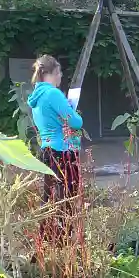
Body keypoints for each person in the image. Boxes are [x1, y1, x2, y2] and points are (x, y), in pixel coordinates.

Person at [28, 55, 84, 206]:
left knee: (49, 198)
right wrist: (73, 112)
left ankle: (46, 230)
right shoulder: (53, 94)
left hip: (47, 150)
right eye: (59, 73)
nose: (60, 76)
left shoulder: (36, 97)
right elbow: (76, 122)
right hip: (63, 151)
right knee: (66, 201)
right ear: (51, 73)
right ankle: (62, 230)